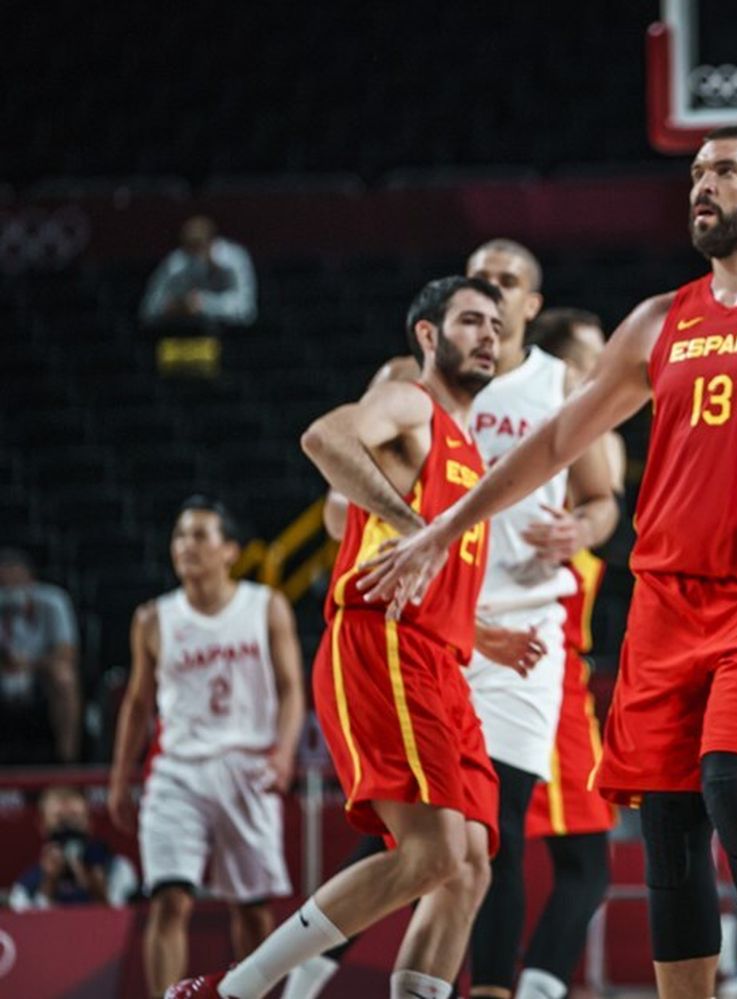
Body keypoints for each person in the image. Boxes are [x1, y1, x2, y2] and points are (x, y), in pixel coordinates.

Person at [359, 126, 737, 998]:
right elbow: (558, 439)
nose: (702, 185)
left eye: (726, 170)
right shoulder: (660, 319)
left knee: (734, 790)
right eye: (697, 172)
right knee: (667, 828)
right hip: (665, 601)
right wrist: (446, 527)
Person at [166, 276, 531, 999]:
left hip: (442, 658)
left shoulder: (470, 450)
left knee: (470, 864)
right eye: (469, 321)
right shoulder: (410, 399)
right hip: (386, 643)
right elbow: (324, 436)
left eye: (496, 323)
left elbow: (431, 568)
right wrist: (411, 523)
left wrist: (478, 630)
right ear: (428, 336)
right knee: (429, 854)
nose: (488, 335)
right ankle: (234, 991)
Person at [290, 244, 618, 999]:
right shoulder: (414, 386)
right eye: (477, 289)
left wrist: (583, 530)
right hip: (428, 619)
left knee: (483, 835)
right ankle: (289, 980)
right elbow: (340, 478)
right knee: (429, 841)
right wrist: (394, 517)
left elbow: (604, 500)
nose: (490, 300)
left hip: (521, 633)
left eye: (506, 289)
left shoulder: (564, 384)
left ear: (530, 307)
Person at [107, 496, 304, 997]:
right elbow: (137, 703)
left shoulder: (265, 605)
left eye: (199, 535)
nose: (186, 546)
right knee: (169, 900)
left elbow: (291, 689)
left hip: (247, 765)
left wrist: (283, 753)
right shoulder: (153, 618)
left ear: (230, 550)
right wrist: (119, 776)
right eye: (179, 536)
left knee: (252, 907)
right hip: (178, 770)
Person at [518, 307, 624, 999]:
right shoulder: (549, 434)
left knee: (444, 861)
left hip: (553, 666)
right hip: (531, 667)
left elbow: (608, 504)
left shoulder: (584, 438)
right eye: (591, 360)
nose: (604, 372)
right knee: (582, 863)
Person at [0, 547, 80, 763]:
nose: (9, 590)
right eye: (3, 584)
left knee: (65, 677)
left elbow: (66, 654)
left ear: (30, 581)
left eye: (16, 582)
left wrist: (30, 664)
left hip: (39, 675)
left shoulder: (53, 602)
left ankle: (67, 761)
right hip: (4, 673)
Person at [8, 784, 138, 910]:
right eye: (60, 821)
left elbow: (125, 921)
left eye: (75, 819)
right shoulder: (27, 885)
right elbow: (24, 927)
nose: (69, 837)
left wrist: (96, 888)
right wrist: (49, 885)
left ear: (90, 822)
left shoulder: (117, 868)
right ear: (42, 826)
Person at [139, 216, 258, 330]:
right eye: (190, 248)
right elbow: (148, 310)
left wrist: (204, 304)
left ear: (211, 242)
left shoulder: (234, 259)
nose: (195, 254)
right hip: (181, 334)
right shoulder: (175, 264)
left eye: (199, 246)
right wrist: (175, 307)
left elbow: (246, 310)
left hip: (231, 336)